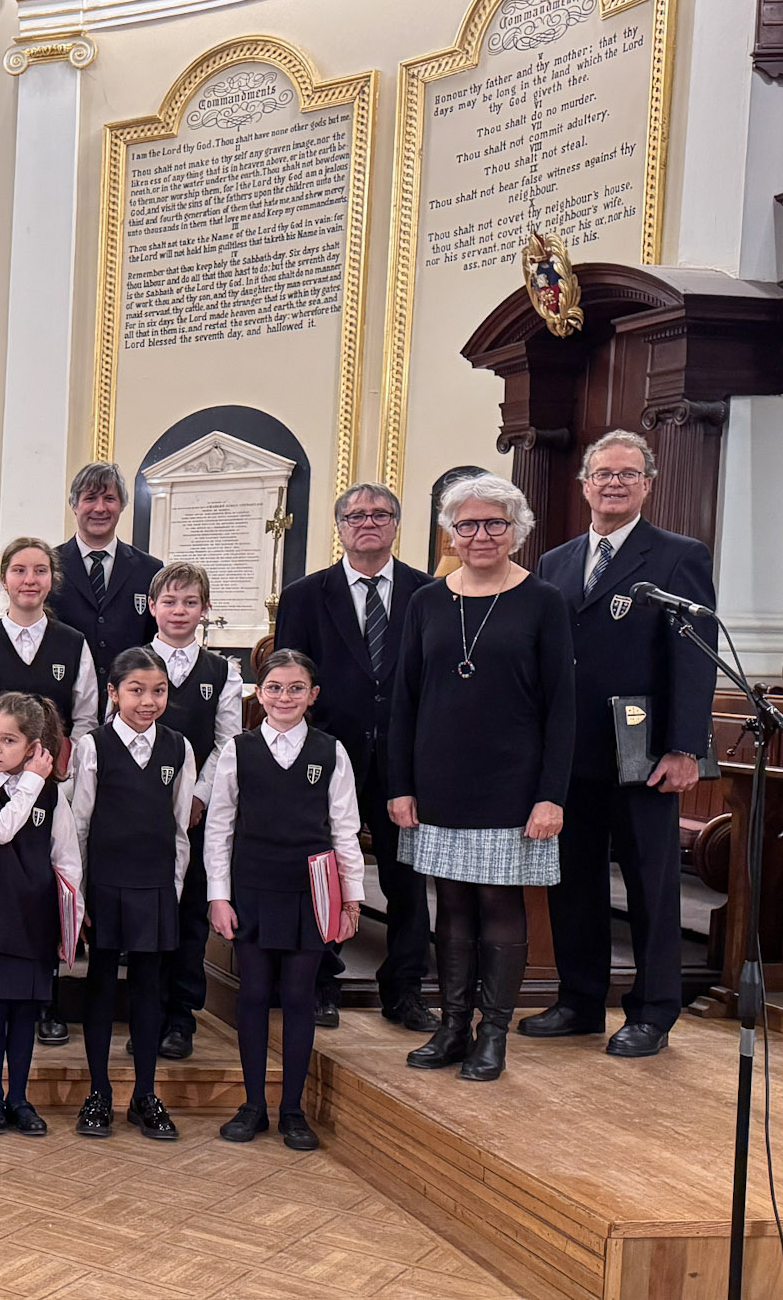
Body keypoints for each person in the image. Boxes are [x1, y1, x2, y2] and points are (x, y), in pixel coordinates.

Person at [524, 431, 715, 1057]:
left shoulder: (678, 555)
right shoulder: (554, 561)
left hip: (645, 753)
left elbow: (694, 657)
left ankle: (653, 1012)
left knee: (649, 886)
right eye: (603, 474)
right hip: (571, 753)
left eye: (627, 474)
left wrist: (685, 747)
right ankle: (580, 1000)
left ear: (647, 486)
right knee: (573, 882)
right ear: (585, 484)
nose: (613, 483)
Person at [390, 474, 574, 1084]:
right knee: (453, 905)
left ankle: (492, 1033)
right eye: (467, 524)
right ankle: (452, 1024)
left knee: (499, 902)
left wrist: (551, 794)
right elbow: (406, 700)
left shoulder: (543, 601)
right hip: (440, 777)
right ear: (451, 533)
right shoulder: (426, 601)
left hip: (513, 784)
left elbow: (562, 707)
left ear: (516, 529)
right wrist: (400, 783)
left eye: (494, 523)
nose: (480, 535)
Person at [273, 484, 434, 1033]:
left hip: (403, 758)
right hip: (326, 755)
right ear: (338, 527)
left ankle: (406, 988)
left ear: (396, 524)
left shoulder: (428, 592)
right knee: (324, 871)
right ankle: (319, 981)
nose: (368, 522)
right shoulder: (304, 595)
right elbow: (288, 679)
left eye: (380, 514)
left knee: (406, 877)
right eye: (356, 515)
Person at [205, 651, 365, 1152]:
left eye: (296, 688)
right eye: (274, 687)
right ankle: (253, 1105)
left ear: (312, 695)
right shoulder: (238, 750)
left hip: (310, 894)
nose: (284, 698)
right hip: (252, 889)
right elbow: (219, 828)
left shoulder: (330, 752)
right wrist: (218, 895)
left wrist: (351, 901)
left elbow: (345, 830)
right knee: (252, 996)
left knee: (298, 999)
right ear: (260, 692)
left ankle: (292, 1110)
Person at [0, 536, 96, 1046]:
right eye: (18, 570)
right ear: (3, 579)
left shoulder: (73, 643)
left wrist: (58, 779)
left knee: (42, 891)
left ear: (52, 579)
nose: (29, 579)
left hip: (48, 789)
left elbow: (85, 716)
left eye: (39, 570)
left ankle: (45, 997)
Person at [66, 646, 193, 1141]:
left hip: (156, 885)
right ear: (113, 693)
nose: (148, 700)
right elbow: (78, 826)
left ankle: (145, 1094)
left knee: (148, 990)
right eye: (136, 690)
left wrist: (174, 891)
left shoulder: (178, 748)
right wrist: (77, 896)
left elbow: (180, 830)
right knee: (101, 986)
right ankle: (98, 1092)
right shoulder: (94, 747)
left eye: (158, 691)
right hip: (105, 887)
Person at [0, 692, 80, 1137]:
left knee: (25, 1014)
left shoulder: (51, 795)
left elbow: (67, 860)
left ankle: (19, 1098)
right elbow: (0, 828)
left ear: (33, 747)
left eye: (8, 740)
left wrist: (72, 916)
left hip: (35, 916)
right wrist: (30, 783)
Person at [149, 561, 242, 1062]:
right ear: (152, 607)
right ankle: (145, 1009)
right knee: (148, 909)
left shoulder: (222, 672)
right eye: (170, 601)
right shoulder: (133, 663)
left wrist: (198, 796)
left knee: (189, 916)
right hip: (141, 810)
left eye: (190, 602)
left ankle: (181, 1017)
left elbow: (227, 743)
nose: (179, 611)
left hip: (198, 813)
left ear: (205, 610)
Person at [51, 462, 163, 679]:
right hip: (65, 695)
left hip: (130, 699)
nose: (100, 508)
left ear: (121, 505)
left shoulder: (150, 569)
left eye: (109, 499)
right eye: (90, 498)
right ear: (74, 505)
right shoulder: (49, 565)